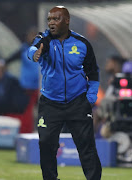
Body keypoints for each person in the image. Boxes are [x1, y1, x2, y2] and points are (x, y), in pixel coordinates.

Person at [28, 6, 102, 180]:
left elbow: (93, 72)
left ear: (67, 20)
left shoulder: (82, 43)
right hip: (50, 103)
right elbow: (33, 49)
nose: (51, 22)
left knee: (86, 146)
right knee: (46, 144)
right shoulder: (44, 40)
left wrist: (90, 98)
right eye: (49, 19)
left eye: (56, 19)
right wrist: (35, 53)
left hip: (78, 102)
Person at [6, 27, 40, 132]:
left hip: (40, 87)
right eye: (31, 35)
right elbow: (8, 60)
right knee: (27, 110)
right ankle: (28, 131)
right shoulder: (23, 49)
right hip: (26, 87)